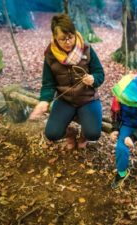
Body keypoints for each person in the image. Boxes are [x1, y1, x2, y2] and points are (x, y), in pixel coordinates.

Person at [29, 14, 104, 149]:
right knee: (52, 133)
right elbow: (48, 83)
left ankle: (84, 135)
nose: (68, 42)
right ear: (55, 38)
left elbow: (100, 74)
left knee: (94, 134)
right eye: (63, 39)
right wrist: (44, 100)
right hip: (65, 100)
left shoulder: (86, 49)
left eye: (70, 37)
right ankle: (70, 133)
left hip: (88, 99)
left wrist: (93, 79)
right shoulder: (50, 55)